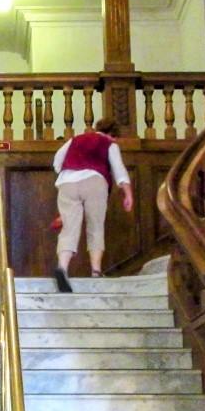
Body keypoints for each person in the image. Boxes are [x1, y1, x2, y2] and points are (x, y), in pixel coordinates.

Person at [51, 117, 133, 292]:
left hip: (67, 182)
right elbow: (119, 170)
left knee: (69, 228)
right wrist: (128, 193)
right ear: (113, 135)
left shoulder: (75, 139)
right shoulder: (109, 143)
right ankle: (96, 271)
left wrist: (70, 170)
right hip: (95, 181)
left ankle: (62, 269)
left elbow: (57, 161)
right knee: (95, 227)